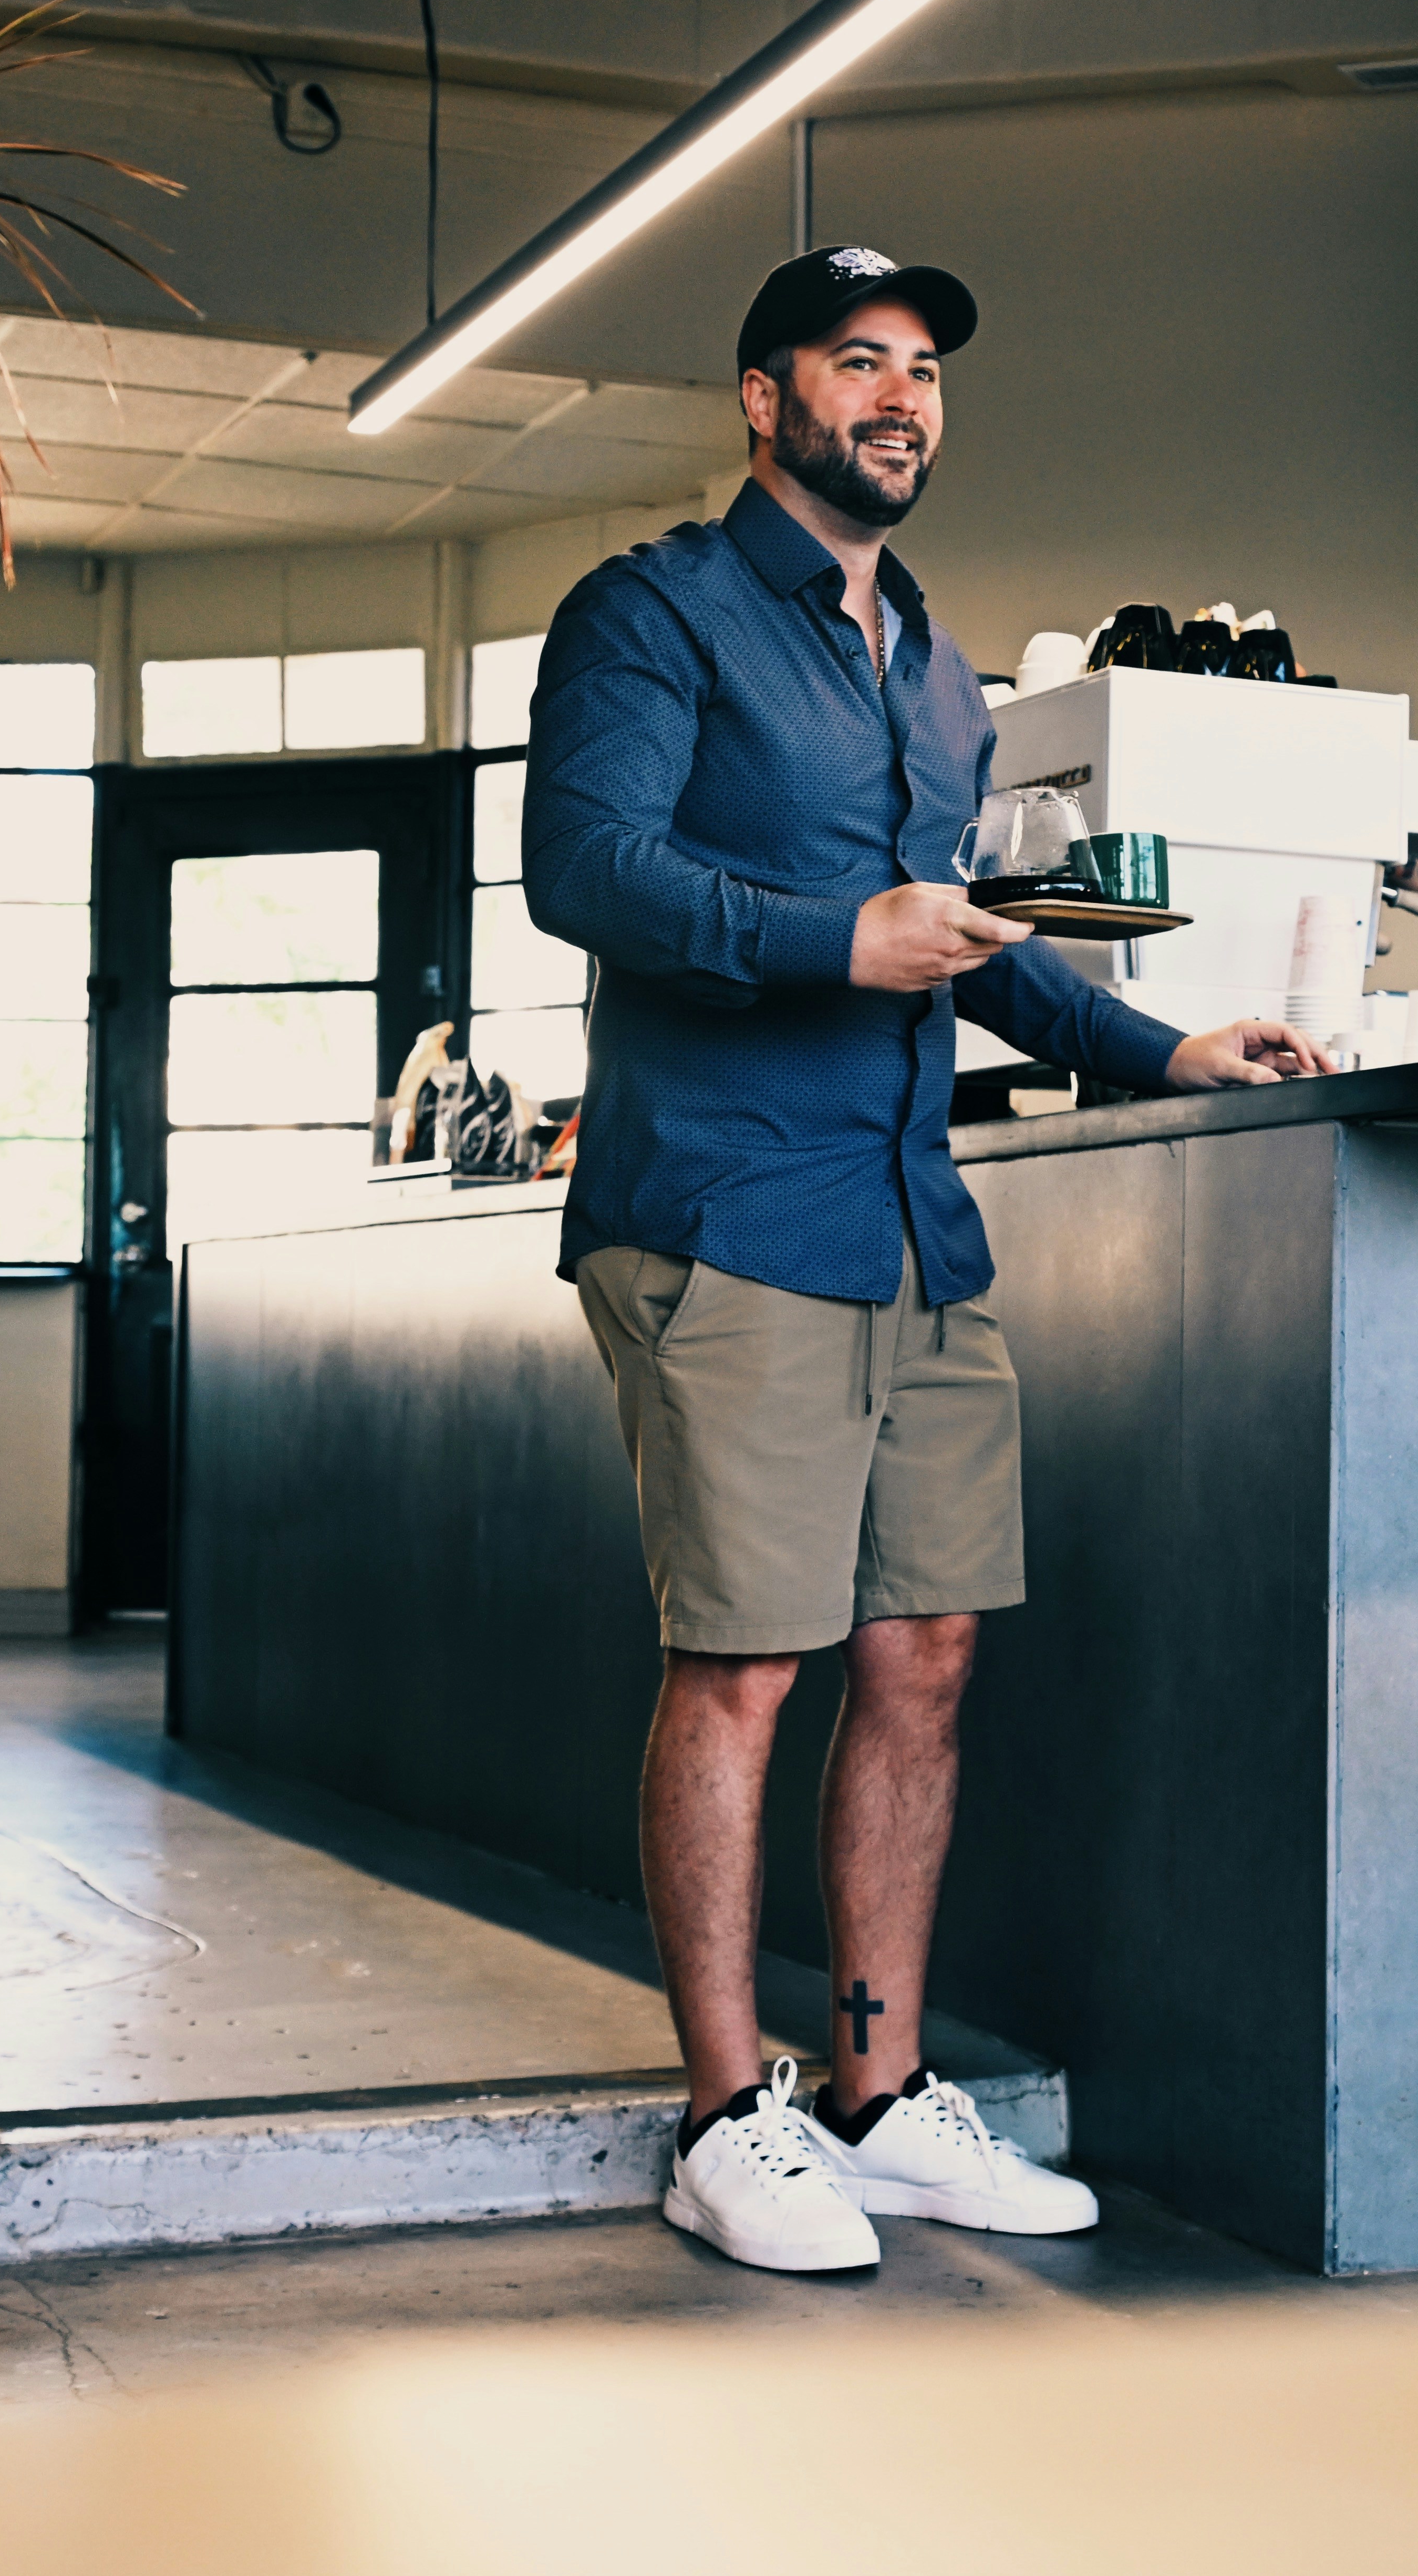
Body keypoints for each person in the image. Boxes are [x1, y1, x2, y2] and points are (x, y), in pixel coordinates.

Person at [523, 244, 1327, 2274]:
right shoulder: (653, 613)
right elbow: (583, 868)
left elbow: (974, 931)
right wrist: (829, 940)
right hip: (725, 1209)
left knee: (925, 1654)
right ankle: (727, 2111)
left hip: (908, 1222)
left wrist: (1166, 1042)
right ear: (761, 397)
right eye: (856, 362)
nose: (898, 398)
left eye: (923, 374)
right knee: (745, 1662)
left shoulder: (928, 660)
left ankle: (871, 2099)